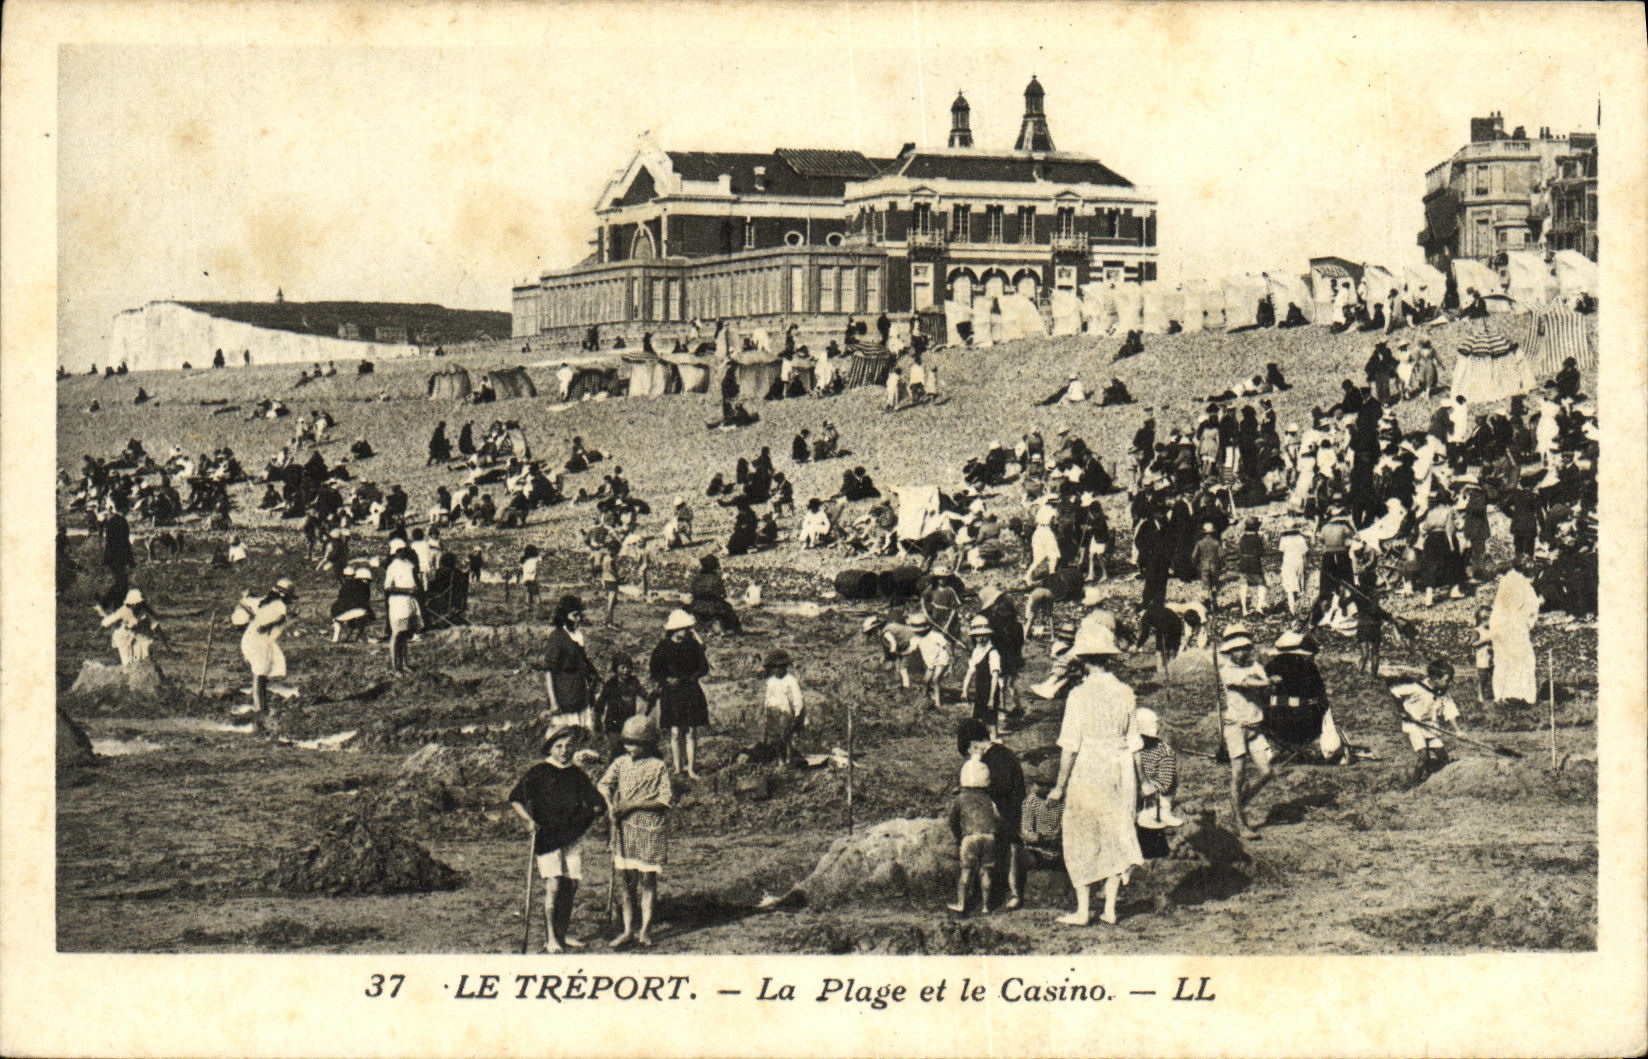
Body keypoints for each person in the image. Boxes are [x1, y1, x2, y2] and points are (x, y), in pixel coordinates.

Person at [1047, 623, 1145, 926]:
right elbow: (1135, 741)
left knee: (1082, 832)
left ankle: (1082, 909)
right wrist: (1143, 781)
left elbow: (1070, 745)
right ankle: (1111, 909)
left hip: (1090, 766)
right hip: (1120, 766)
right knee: (1115, 830)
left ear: (1083, 659)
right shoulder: (1125, 691)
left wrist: (1059, 785)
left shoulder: (1078, 695)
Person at [509, 724, 606, 953]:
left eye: (568, 746)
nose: (564, 750)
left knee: (571, 884)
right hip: (548, 836)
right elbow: (515, 798)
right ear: (550, 748)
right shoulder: (539, 772)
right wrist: (528, 821)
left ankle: (563, 933)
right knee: (553, 885)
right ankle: (550, 938)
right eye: (559, 746)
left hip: (572, 836)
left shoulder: (576, 774)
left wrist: (584, 819)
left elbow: (597, 803)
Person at [598, 714, 674, 948]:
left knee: (647, 881)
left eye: (636, 743)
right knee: (625, 882)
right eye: (627, 743)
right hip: (624, 829)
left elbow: (665, 800)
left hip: (650, 829)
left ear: (648, 743)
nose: (630, 748)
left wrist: (632, 804)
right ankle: (628, 929)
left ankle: (645, 931)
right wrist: (610, 804)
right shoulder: (620, 763)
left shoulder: (658, 766)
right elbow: (603, 784)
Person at [957, 718, 1026, 911]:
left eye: (968, 752)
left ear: (973, 745)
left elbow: (1000, 788)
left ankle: (1012, 892)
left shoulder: (996, 758)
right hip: (1001, 813)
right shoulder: (999, 755)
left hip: (1007, 815)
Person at [1217, 626, 1273, 839]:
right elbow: (1248, 683)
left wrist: (1269, 686)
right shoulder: (1226, 670)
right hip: (1236, 727)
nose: (1240, 653)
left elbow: (1264, 690)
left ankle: (1238, 805)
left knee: (1267, 773)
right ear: (1229, 652)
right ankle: (1239, 821)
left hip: (1254, 726)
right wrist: (1266, 682)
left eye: (1243, 648)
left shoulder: (1256, 666)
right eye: (1236, 650)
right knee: (1238, 773)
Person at [1264, 631, 1345, 763]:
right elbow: (1320, 695)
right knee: (1320, 713)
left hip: (1274, 723)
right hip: (1303, 724)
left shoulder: (1270, 667)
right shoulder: (1308, 667)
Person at [651, 610, 710, 779]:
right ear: (675, 630)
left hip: (690, 690)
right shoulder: (663, 647)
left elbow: (703, 667)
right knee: (676, 731)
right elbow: (655, 670)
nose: (687, 631)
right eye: (684, 628)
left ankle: (690, 768)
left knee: (691, 731)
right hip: (672, 693)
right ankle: (678, 768)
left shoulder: (692, 646)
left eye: (688, 628)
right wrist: (666, 680)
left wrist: (691, 677)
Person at [946, 756, 1002, 916]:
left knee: (966, 871)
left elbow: (953, 821)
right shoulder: (988, 800)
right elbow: (997, 818)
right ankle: (986, 906)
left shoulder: (960, 799)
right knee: (986, 871)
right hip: (989, 836)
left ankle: (961, 903)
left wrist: (958, 837)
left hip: (969, 836)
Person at [1394, 658, 1461, 788]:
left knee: (1443, 758)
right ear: (1435, 679)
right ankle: (1414, 785)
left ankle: (1431, 776)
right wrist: (1403, 712)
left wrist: (1457, 730)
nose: (1448, 684)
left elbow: (1450, 710)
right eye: (1446, 681)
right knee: (1423, 757)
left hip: (1430, 727)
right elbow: (1395, 693)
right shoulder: (1416, 687)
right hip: (1414, 726)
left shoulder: (1442, 694)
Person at [239, 579, 297, 720]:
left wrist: (253, 615)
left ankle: (261, 708)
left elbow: (244, 600)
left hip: (253, 639)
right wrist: (267, 625)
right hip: (258, 642)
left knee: (261, 676)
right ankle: (260, 710)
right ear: (284, 595)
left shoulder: (263, 602)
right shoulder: (279, 605)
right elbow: (280, 618)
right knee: (260, 676)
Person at [1488, 557, 1541, 706]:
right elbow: (1517, 606)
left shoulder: (1510, 580)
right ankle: (1518, 696)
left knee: (1503, 661)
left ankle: (1501, 696)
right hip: (1512, 626)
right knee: (1521, 660)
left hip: (1502, 626)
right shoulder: (1517, 582)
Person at [543, 595, 599, 733]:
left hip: (579, 692)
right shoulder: (557, 638)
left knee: (582, 731)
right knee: (566, 732)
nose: (578, 619)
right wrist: (553, 702)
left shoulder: (577, 635)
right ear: (564, 616)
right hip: (565, 694)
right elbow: (549, 672)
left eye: (580, 615)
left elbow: (583, 661)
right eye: (575, 616)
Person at [1133, 707, 1184, 827]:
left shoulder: (1164, 752)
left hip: (1159, 795)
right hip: (1138, 792)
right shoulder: (1134, 751)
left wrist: (1147, 789)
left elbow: (1165, 784)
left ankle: (1162, 814)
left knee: (1158, 811)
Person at [960, 616, 1004, 738]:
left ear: (989, 636)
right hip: (980, 688)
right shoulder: (976, 651)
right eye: (978, 635)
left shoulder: (993, 652)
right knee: (979, 719)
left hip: (991, 688)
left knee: (991, 721)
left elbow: (995, 676)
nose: (981, 638)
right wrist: (965, 690)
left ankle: (994, 743)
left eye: (984, 635)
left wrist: (991, 698)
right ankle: (982, 744)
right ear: (974, 637)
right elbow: (970, 672)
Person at [761, 649, 805, 761]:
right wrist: (766, 711)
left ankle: (789, 759)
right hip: (773, 713)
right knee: (775, 738)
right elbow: (768, 697)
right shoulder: (771, 681)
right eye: (774, 668)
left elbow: (797, 698)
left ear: (784, 667)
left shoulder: (790, 681)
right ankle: (780, 760)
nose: (777, 670)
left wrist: (798, 714)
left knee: (785, 737)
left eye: (779, 667)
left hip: (786, 714)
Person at [100, 588, 160, 667]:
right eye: (137, 603)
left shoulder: (139, 611)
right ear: (132, 603)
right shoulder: (124, 611)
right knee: (127, 662)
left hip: (133, 637)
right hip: (123, 638)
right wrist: (98, 633)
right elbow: (107, 622)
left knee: (139, 658)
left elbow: (152, 625)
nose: (138, 605)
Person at [329, 566, 375, 642]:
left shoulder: (346, 585)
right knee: (362, 614)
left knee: (354, 612)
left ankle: (343, 635)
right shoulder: (364, 587)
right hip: (349, 612)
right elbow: (364, 604)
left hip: (336, 612)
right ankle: (354, 635)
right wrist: (372, 616)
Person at [1191, 521, 1224, 611]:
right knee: (1214, 584)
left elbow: (1194, 556)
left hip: (1204, 565)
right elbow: (1221, 555)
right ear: (1213, 532)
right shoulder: (1216, 543)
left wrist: (1196, 565)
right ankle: (1215, 602)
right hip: (1214, 565)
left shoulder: (1199, 543)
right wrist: (1220, 564)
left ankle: (1207, 602)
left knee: (1206, 585)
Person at [1472, 606, 1494, 705]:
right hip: (1482, 656)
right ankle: (1480, 694)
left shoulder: (1491, 630)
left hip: (1492, 656)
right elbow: (1473, 643)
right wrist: (1484, 641)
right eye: (1487, 620)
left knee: (1493, 674)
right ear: (1481, 620)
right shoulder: (1477, 630)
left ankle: (1494, 693)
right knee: (1483, 677)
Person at [598, 537, 622, 626]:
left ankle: (608, 620)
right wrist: (619, 578)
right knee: (611, 603)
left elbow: (603, 570)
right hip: (612, 581)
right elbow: (613, 571)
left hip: (606, 579)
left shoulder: (605, 558)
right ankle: (609, 622)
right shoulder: (611, 560)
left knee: (610, 601)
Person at [517, 545, 543, 615]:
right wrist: (549, 553)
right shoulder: (535, 559)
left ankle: (528, 609)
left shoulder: (523, 560)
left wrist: (518, 579)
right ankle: (538, 610)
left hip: (525, 580)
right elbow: (542, 558)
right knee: (536, 594)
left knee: (528, 594)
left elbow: (519, 571)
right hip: (532, 580)